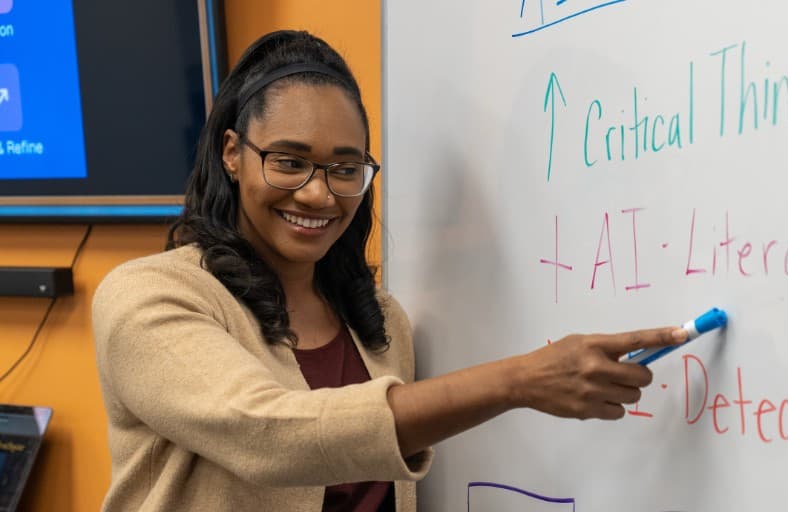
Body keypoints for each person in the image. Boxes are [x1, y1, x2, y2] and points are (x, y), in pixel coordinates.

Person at [91, 30, 687, 512]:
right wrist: (520, 380)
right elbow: (270, 435)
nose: (320, 195)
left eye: (345, 169)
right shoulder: (149, 297)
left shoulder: (380, 321)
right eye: (289, 161)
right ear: (232, 154)